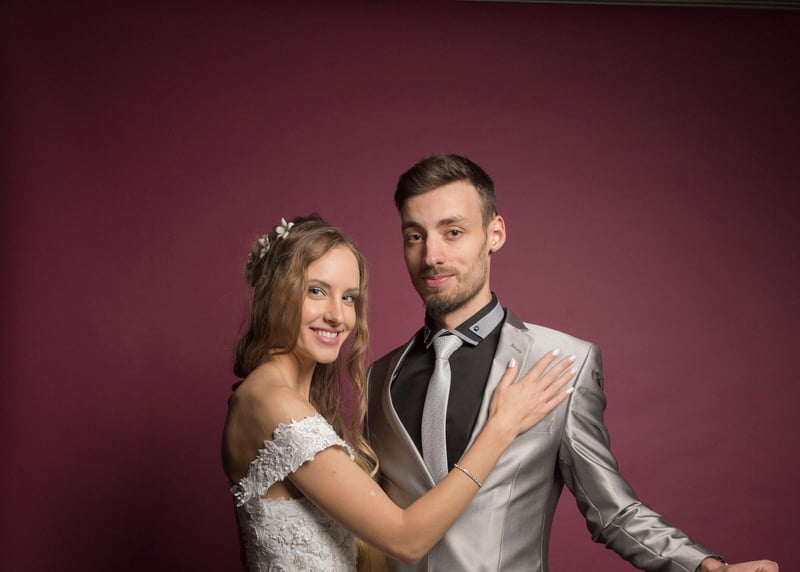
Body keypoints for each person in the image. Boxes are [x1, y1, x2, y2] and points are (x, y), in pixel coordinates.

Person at [366, 154, 779, 572]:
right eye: (415, 236)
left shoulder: (564, 362)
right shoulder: (378, 378)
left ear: (495, 234)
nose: (431, 255)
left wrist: (706, 567)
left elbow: (612, 511)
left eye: (453, 232)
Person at [221, 214, 577, 571]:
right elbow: (405, 540)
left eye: (349, 298)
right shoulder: (273, 403)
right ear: (276, 293)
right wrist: (500, 428)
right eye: (316, 291)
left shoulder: (282, 399)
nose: (337, 316)